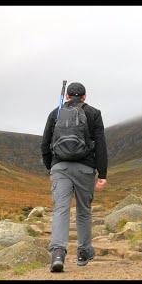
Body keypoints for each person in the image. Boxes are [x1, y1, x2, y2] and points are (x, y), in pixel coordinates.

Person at [41, 82, 108, 272]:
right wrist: (102, 173)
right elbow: (101, 144)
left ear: (67, 96)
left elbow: (45, 143)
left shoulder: (56, 113)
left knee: (61, 210)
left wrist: (51, 167)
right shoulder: (94, 113)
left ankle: (58, 254)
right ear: (85, 97)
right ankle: (83, 252)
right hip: (85, 169)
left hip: (59, 168)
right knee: (83, 211)